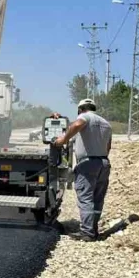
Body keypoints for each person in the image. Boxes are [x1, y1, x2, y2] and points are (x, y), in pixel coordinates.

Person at [54, 98, 112, 242]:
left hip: (87, 164)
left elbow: (79, 123)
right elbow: (108, 147)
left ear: (80, 109)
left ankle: (87, 233)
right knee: (97, 199)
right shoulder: (106, 123)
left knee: (85, 198)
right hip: (104, 163)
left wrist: (63, 140)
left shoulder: (83, 117)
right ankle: (93, 229)